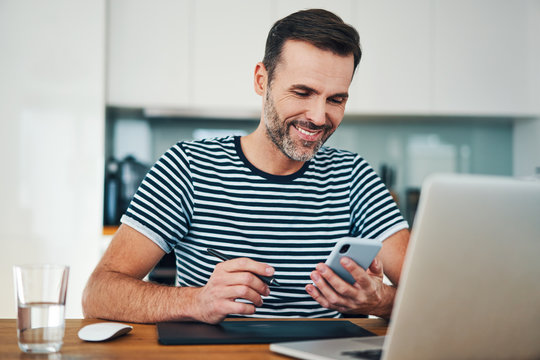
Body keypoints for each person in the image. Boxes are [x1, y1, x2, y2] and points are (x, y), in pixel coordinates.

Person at [83, 8, 409, 324]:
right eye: (302, 92)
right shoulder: (187, 167)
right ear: (261, 80)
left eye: (335, 99)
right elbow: (98, 294)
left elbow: (435, 296)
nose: (318, 116)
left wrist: (380, 301)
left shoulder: (354, 177)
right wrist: (197, 301)